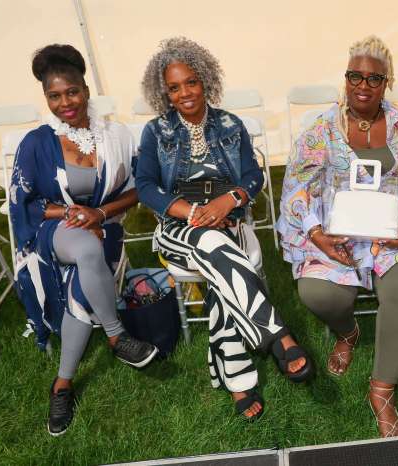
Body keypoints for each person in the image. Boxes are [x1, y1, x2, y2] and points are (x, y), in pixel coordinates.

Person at [136, 37, 314, 421]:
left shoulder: (231, 125)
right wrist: (191, 212)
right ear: (164, 92)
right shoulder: (155, 132)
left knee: (221, 276)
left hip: (226, 216)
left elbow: (252, 177)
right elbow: (146, 187)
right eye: (174, 87)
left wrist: (228, 201)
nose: (184, 93)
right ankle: (279, 336)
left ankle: (237, 378)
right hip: (177, 223)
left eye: (191, 82)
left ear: (206, 81)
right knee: (218, 249)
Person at [277, 35, 398, 437]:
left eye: (374, 78)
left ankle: (382, 390)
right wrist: (315, 233)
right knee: (318, 294)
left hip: (394, 234)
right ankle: (348, 332)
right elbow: (296, 186)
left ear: (387, 82)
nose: (363, 85)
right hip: (338, 233)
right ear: (346, 78)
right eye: (355, 76)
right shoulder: (322, 129)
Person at [10, 44, 158, 437]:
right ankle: (116, 335)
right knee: (87, 248)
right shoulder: (36, 142)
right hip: (52, 230)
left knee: (82, 280)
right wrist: (73, 214)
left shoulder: (116, 134)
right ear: (46, 98)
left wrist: (99, 214)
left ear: (85, 89)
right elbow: (24, 203)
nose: (65, 103)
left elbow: (138, 188)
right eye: (54, 96)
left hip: (103, 224)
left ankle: (62, 385)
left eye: (71, 92)